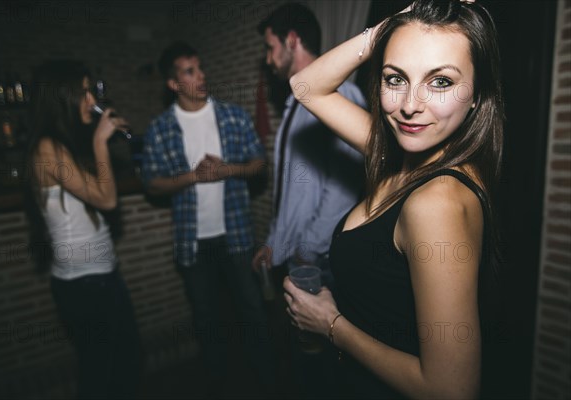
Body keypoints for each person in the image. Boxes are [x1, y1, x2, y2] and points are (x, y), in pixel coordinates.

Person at [282, 0, 504, 398]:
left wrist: (331, 325)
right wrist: (397, 22)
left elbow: (451, 390)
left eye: (441, 82)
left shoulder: (437, 203)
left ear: (476, 96)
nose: (409, 105)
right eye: (395, 78)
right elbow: (305, 86)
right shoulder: (396, 155)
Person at [140, 42, 274, 396]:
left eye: (200, 68)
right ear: (173, 84)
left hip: (237, 236)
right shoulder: (160, 128)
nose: (201, 76)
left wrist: (227, 169)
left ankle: (269, 382)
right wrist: (194, 177)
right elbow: (151, 183)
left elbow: (260, 163)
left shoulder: (232, 116)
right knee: (207, 317)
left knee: (252, 311)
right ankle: (218, 383)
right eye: (189, 71)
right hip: (192, 242)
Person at [253, 3, 367, 397]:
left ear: (292, 40)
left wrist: (306, 249)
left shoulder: (338, 94)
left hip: (320, 261)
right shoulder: (295, 101)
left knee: (326, 369)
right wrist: (274, 242)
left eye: (270, 49)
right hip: (298, 257)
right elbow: (292, 192)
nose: (267, 61)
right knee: (303, 364)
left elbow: (345, 187)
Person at [25, 60, 141, 399]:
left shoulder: (64, 143)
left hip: (102, 276)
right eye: (85, 91)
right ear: (62, 96)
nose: (92, 99)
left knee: (124, 364)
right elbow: (106, 199)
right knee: (102, 375)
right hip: (84, 286)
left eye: (92, 90)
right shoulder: (47, 147)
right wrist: (102, 142)